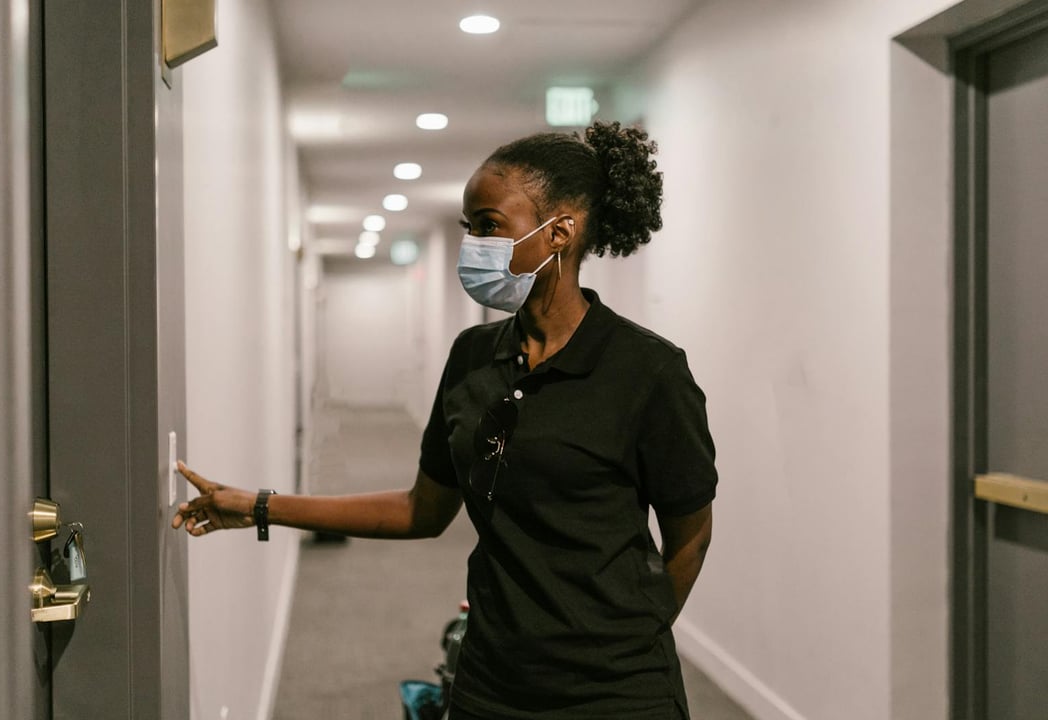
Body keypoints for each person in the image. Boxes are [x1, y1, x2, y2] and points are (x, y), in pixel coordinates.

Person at [172, 121, 717, 720]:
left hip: (616, 693)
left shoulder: (646, 371)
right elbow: (422, 509)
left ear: (559, 231)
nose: (472, 246)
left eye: (488, 226)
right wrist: (256, 506)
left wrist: (629, 637)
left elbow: (690, 535)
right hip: (492, 678)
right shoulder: (473, 357)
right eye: (468, 229)